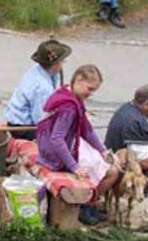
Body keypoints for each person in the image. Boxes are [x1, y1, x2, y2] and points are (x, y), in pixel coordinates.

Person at [36, 64, 120, 224]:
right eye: (89, 89)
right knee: (111, 173)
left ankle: (88, 204)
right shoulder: (69, 107)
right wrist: (75, 167)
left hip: (53, 144)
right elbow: (57, 139)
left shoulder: (69, 95)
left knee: (101, 161)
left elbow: (85, 129)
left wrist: (103, 151)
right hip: (53, 155)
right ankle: (86, 206)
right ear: (79, 80)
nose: (91, 94)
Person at [4, 39, 71, 140]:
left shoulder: (39, 69)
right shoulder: (43, 88)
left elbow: (54, 82)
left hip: (18, 120)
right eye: (62, 61)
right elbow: (40, 120)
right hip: (22, 128)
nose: (64, 63)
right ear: (55, 65)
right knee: (61, 135)